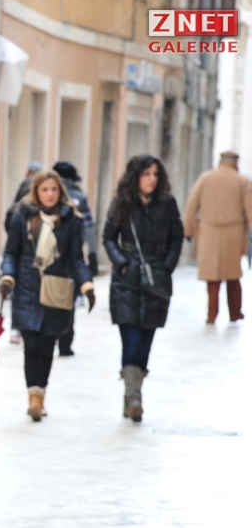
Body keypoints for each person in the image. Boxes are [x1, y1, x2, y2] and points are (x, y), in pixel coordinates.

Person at [0, 170, 95, 422]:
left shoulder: (70, 219)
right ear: (37, 192)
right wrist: (8, 276)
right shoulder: (23, 216)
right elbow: (11, 253)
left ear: (60, 191)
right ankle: (34, 397)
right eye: (44, 189)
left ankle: (40, 393)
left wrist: (86, 285)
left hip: (56, 291)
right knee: (32, 346)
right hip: (27, 289)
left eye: (54, 189)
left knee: (47, 345)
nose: (49, 194)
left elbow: (76, 259)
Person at [103, 154, 183, 422]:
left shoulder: (167, 204)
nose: (152, 179)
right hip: (127, 281)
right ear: (135, 176)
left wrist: (167, 266)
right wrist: (122, 263)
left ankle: (131, 396)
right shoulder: (122, 202)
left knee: (146, 343)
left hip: (156, 280)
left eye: (155, 174)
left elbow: (176, 238)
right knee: (131, 341)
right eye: (146, 174)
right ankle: (134, 396)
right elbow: (108, 238)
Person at [183, 151, 252, 326]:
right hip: (233, 234)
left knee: (212, 276)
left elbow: (191, 205)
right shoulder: (242, 181)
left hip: (209, 233)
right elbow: (250, 209)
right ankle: (235, 313)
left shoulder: (205, 178)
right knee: (233, 276)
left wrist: (188, 229)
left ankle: (211, 314)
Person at [50, 161, 99, 357]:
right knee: (68, 298)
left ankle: (47, 339)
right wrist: (92, 254)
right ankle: (65, 343)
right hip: (70, 258)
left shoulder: (42, 193)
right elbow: (88, 228)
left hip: (43, 259)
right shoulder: (79, 197)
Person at [5, 161, 44, 346]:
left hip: (22, 254)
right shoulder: (22, 211)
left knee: (20, 293)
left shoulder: (19, 207)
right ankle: (21, 328)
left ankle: (16, 329)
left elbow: (9, 221)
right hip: (27, 255)